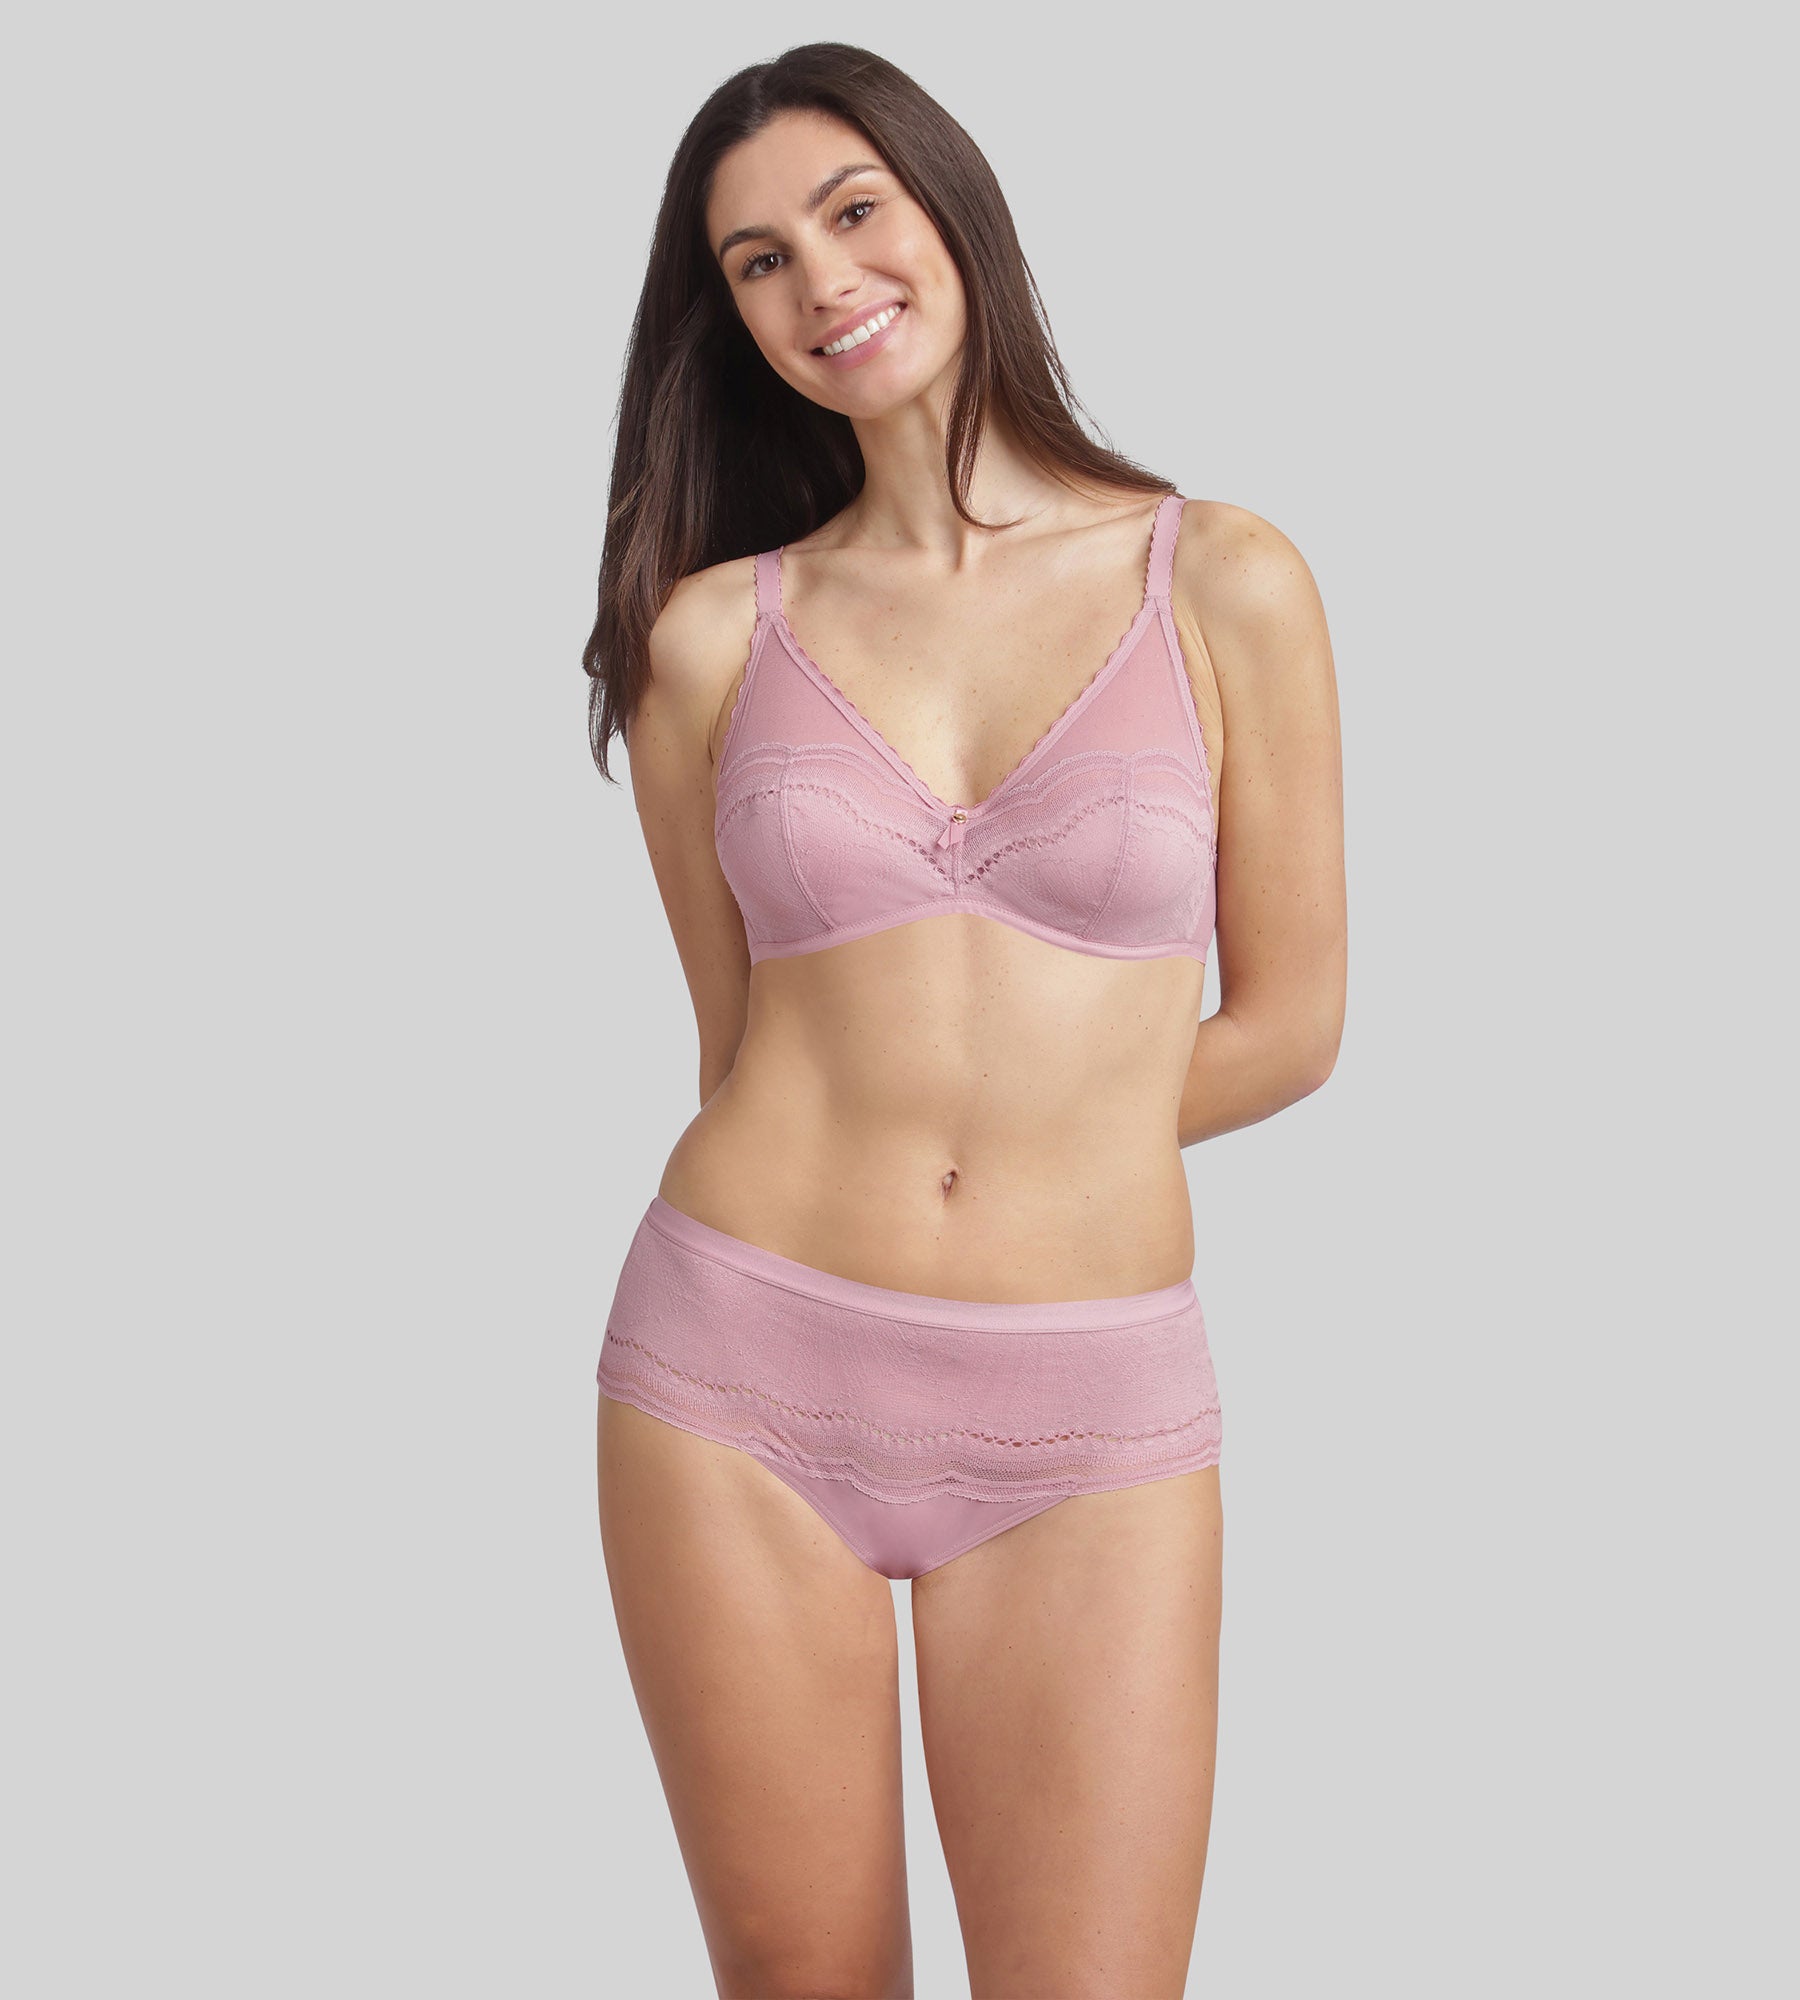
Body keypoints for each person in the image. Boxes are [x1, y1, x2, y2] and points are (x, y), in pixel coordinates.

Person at [582, 41, 1345, 2000]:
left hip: (1086, 1409)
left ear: (952, 207)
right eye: (757, 261)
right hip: (736, 1371)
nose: (821, 281)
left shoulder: (1220, 579)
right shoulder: (709, 637)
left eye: (853, 212)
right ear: (729, 317)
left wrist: (1035, 1145)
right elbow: (740, 1047)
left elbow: (1293, 1021)